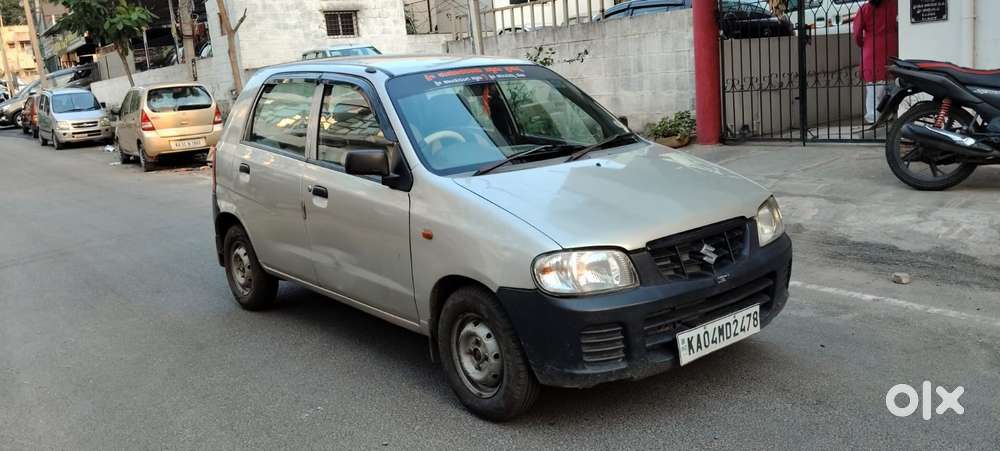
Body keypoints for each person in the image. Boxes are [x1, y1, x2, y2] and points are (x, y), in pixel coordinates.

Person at [853, 0, 899, 124]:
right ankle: (889, 114)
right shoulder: (894, 4)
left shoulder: (865, 9)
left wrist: (864, 43)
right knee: (892, 84)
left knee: (874, 89)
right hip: (891, 46)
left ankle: (874, 117)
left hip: (872, 49)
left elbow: (857, 34)